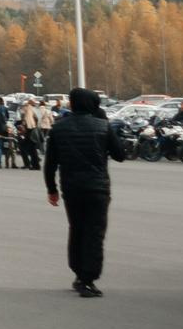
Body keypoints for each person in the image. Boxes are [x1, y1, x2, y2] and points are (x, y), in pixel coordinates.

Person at [44, 88, 127, 297]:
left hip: (71, 189)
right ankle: (88, 278)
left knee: (77, 228)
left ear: (72, 104)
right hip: (98, 188)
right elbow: (120, 155)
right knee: (95, 232)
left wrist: (51, 189)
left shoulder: (59, 128)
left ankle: (78, 272)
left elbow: (50, 163)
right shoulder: (102, 126)